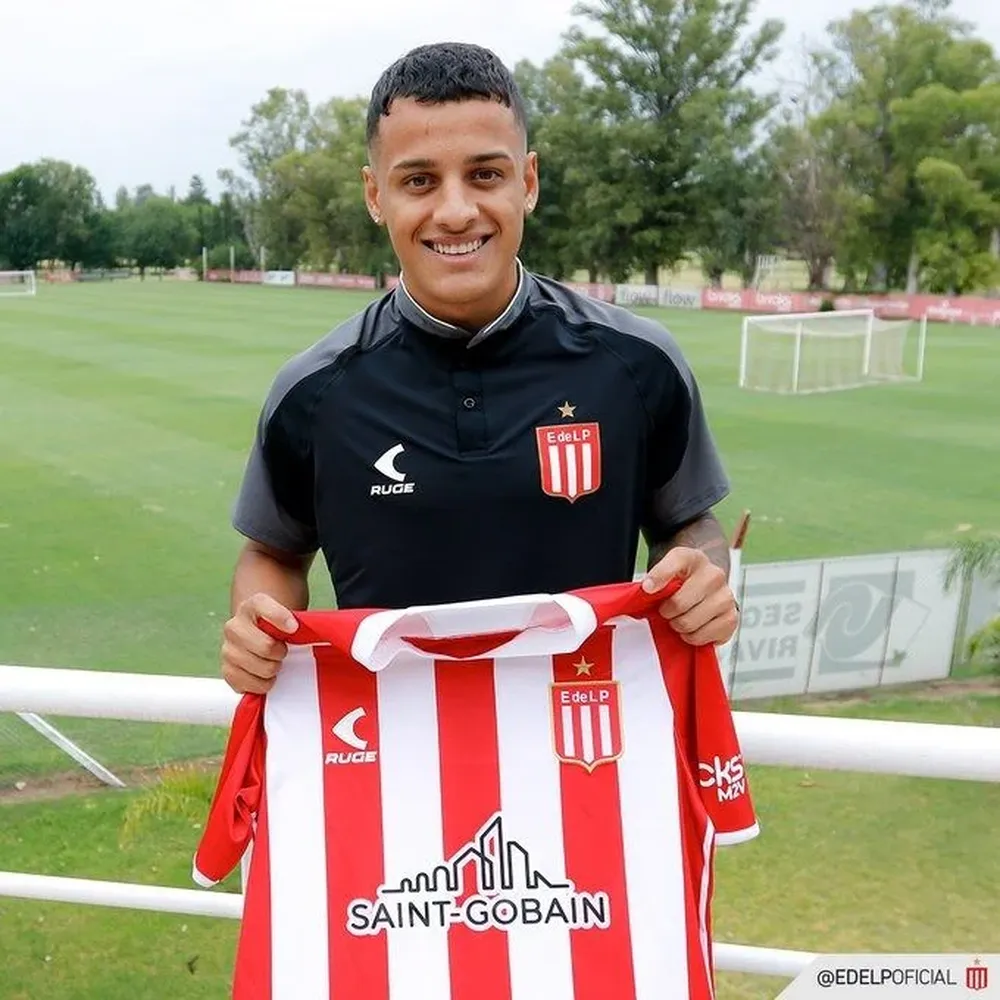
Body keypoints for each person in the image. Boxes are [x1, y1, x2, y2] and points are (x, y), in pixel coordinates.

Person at [221, 41, 739, 695]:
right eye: (419, 181)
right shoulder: (314, 392)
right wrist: (256, 622)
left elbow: (686, 524)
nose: (457, 210)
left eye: (485, 175)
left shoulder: (637, 362)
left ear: (529, 181)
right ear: (375, 194)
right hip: (397, 759)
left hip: (587, 746)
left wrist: (703, 572)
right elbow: (273, 551)